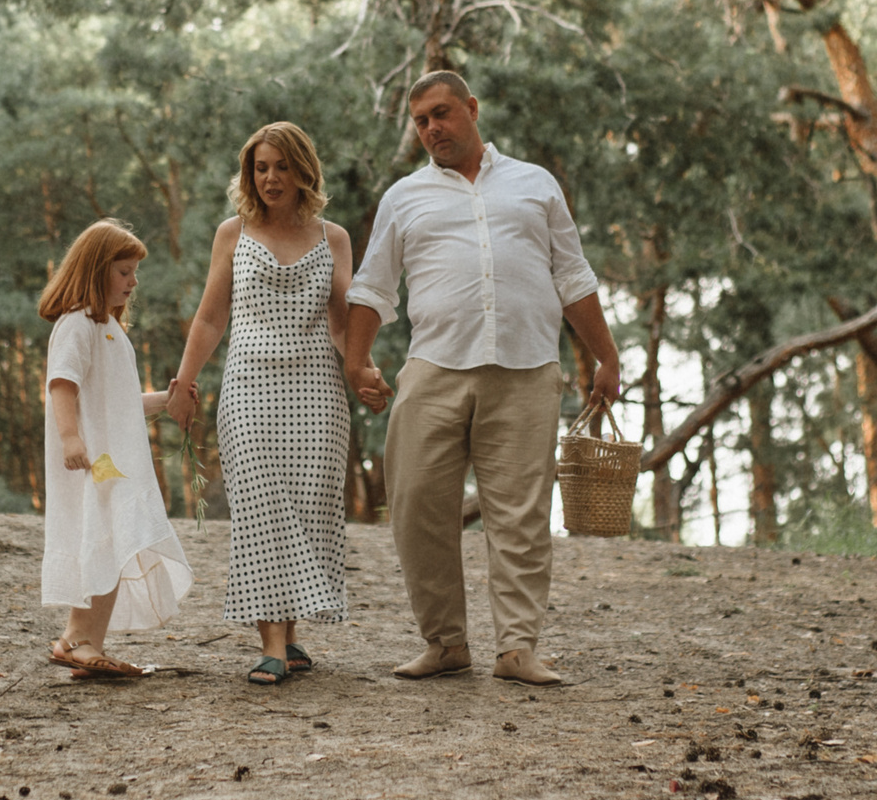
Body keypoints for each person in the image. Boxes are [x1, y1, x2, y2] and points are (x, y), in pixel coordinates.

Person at [346, 72, 620, 685]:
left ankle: (517, 649)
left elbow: (572, 276)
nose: (432, 129)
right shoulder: (404, 196)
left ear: (472, 108)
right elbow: (372, 285)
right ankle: (444, 643)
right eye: (420, 122)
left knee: (520, 516)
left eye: (441, 113)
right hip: (433, 368)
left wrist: (606, 356)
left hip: (526, 369)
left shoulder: (534, 184)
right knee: (416, 506)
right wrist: (358, 359)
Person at [168, 123, 357, 686]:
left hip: (318, 390)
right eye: (260, 167)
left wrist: (363, 372)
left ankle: (292, 637)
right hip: (248, 389)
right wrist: (183, 383)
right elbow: (209, 317)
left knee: (309, 505)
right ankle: (272, 642)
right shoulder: (234, 232)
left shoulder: (335, 237)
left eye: (281, 166)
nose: (270, 178)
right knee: (261, 509)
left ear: (304, 170)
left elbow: (345, 323)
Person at [37, 219, 195, 678]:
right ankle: (76, 638)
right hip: (93, 461)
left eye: (134, 272)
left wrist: (167, 400)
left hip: (114, 461)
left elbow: (121, 404)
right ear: (94, 270)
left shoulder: (109, 329)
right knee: (103, 540)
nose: (133, 281)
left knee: (113, 542)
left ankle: (81, 639)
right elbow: (61, 385)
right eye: (124, 271)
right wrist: (70, 437)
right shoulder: (77, 325)